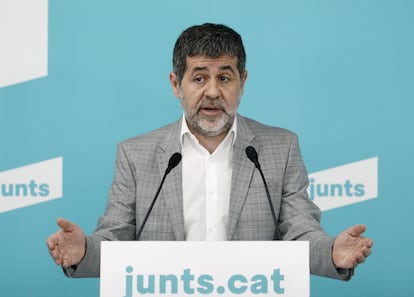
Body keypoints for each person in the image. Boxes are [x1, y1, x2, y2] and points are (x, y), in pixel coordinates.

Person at [47, 23, 372, 280]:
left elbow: (300, 230)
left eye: (225, 78)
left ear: (242, 83)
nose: (213, 92)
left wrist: (330, 252)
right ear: (177, 85)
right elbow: (115, 240)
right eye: (199, 77)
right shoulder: (135, 154)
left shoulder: (279, 147)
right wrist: (84, 251)